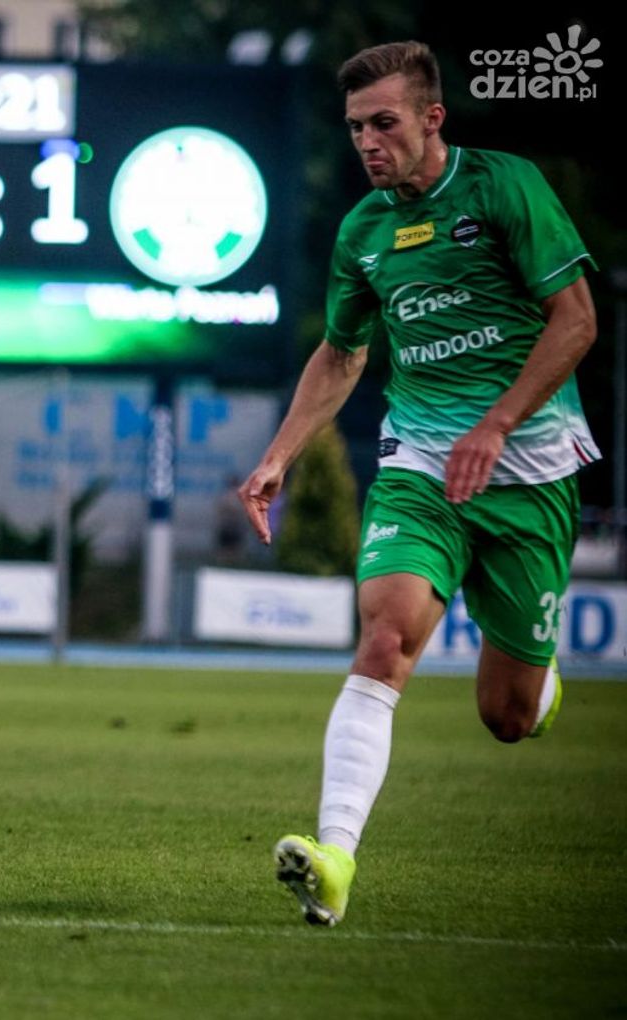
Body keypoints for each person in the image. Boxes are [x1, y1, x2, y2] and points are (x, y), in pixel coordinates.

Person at [238, 41, 598, 927]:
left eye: (385, 123)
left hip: (529, 473)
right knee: (385, 637)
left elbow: (577, 320)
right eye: (356, 127)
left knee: (507, 716)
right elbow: (342, 353)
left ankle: (538, 683)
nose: (369, 142)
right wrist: (280, 454)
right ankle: (334, 860)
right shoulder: (364, 232)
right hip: (422, 468)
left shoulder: (504, 187)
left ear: (433, 119)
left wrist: (497, 424)